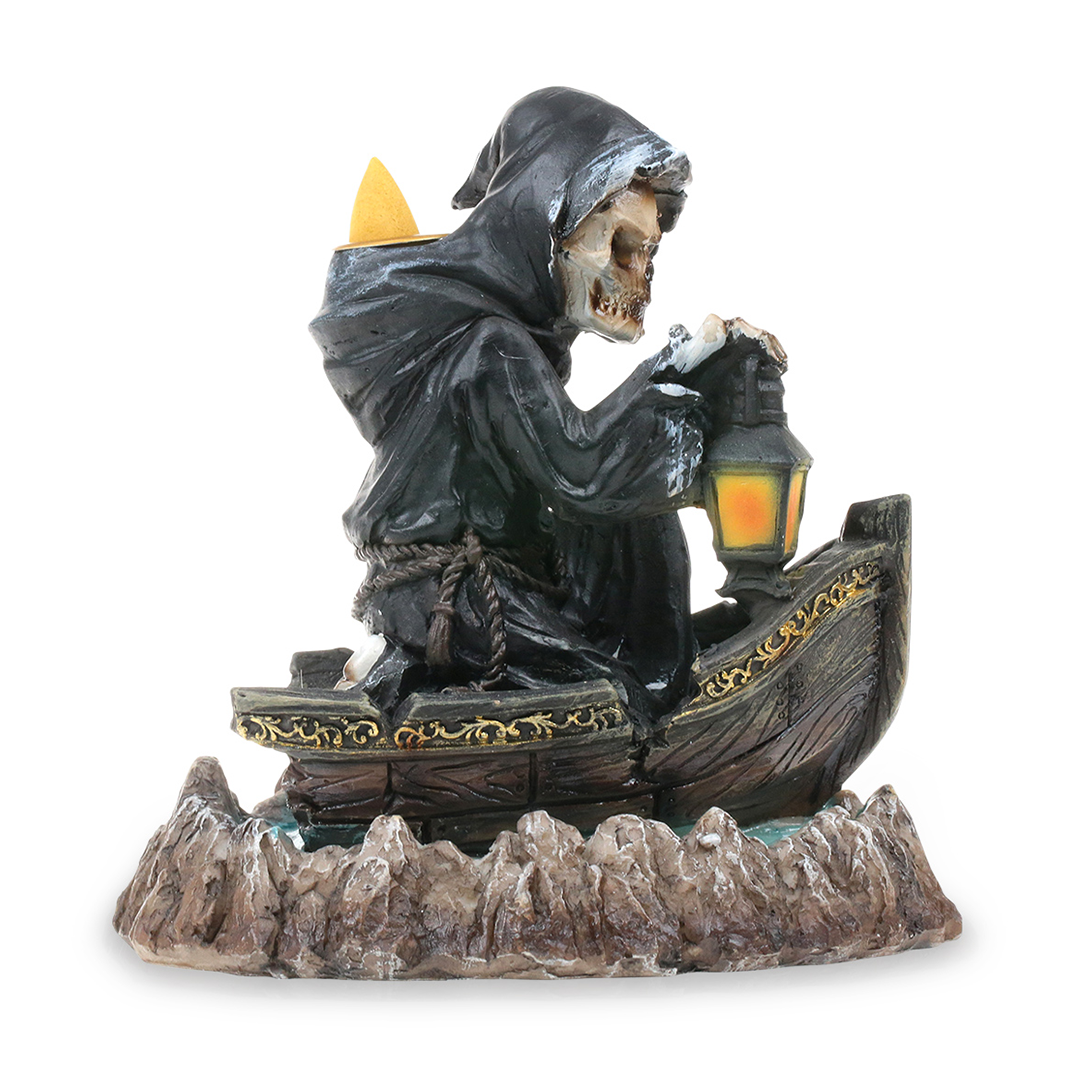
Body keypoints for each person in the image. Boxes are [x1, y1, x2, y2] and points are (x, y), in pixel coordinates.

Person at [309, 87, 745, 728]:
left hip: (505, 578)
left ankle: (661, 666)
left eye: (649, 253)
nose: (640, 277)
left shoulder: (512, 345)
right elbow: (580, 472)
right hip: (455, 602)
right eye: (621, 246)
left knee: (637, 519)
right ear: (545, 227)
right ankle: (648, 713)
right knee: (611, 697)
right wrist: (679, 375)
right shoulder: (496, 349)